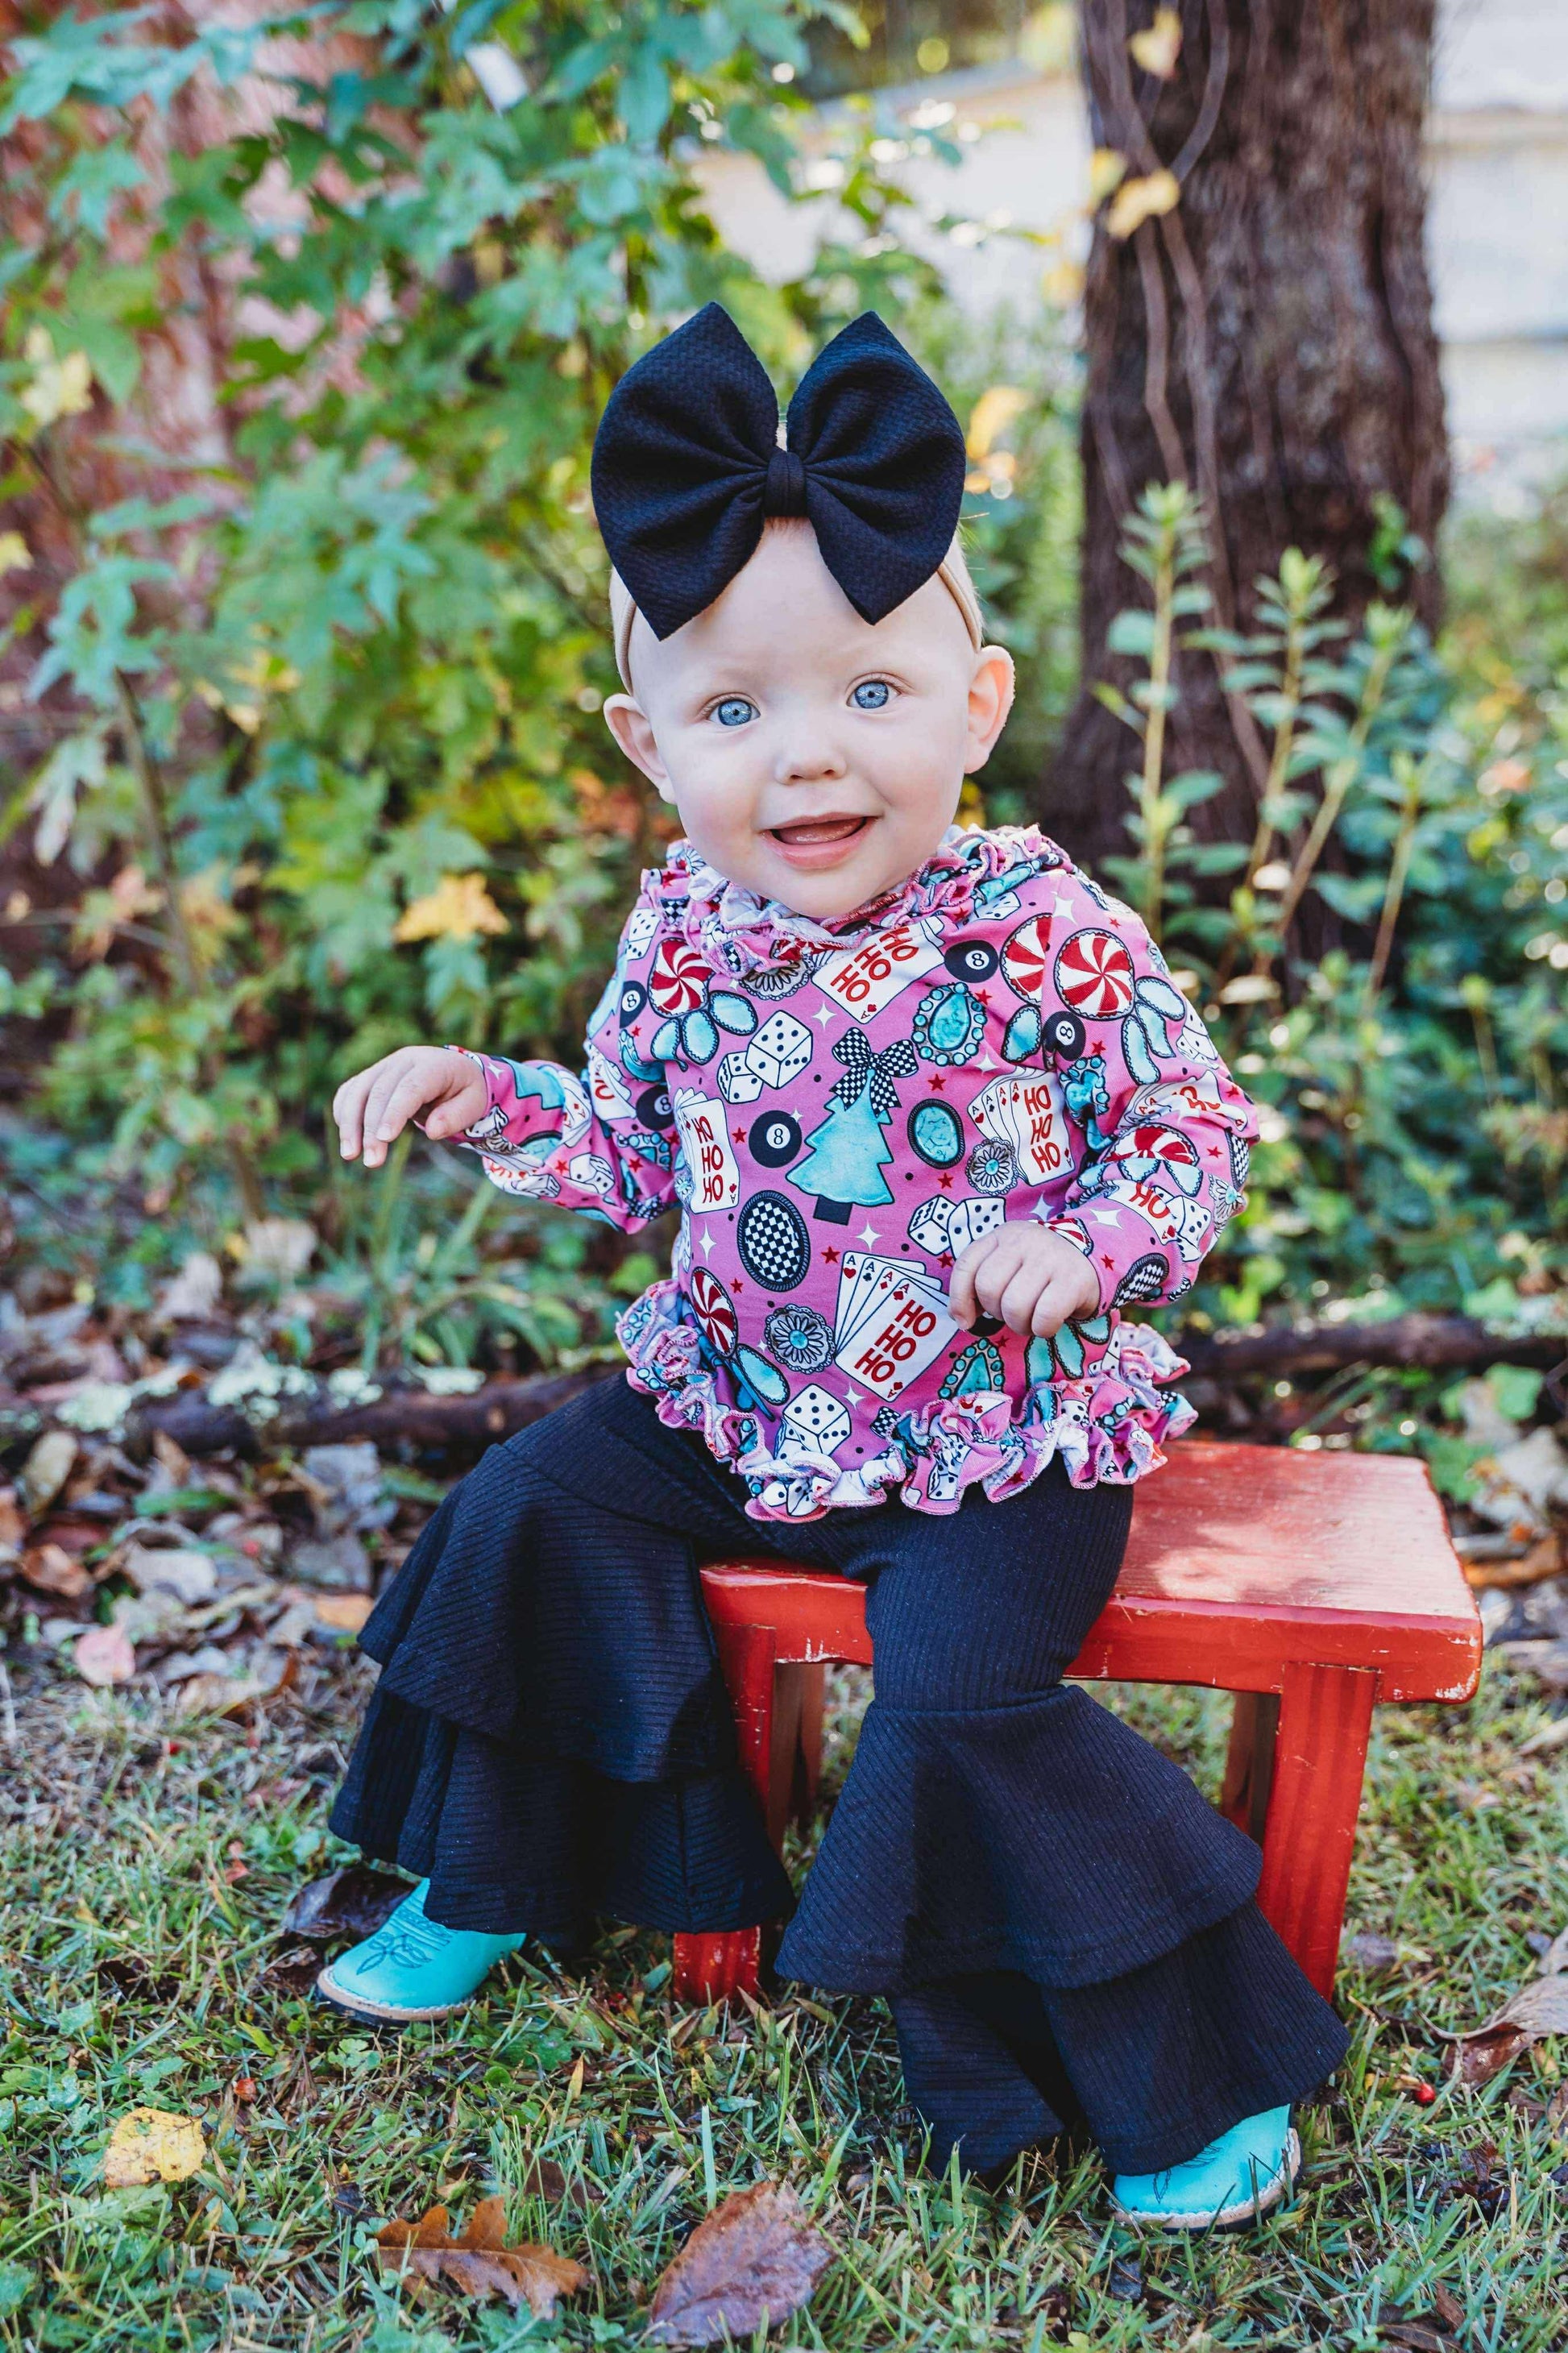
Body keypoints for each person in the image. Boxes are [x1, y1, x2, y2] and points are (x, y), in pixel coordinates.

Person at [318, 305, 1347, 2227]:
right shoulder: (682, 934)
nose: (807, 754)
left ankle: (1166, 2069)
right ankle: (497, 1870)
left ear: (975, 701)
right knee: (533, 1503)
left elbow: (1194, 1130)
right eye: (734, 711)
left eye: (871, 689)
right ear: (649, 747)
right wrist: (489, 1096)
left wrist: (1090, 1240)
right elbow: (634, 1152)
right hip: (744, 1397)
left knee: (959, 1699)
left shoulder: (1040, 920)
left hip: (997, 1439)